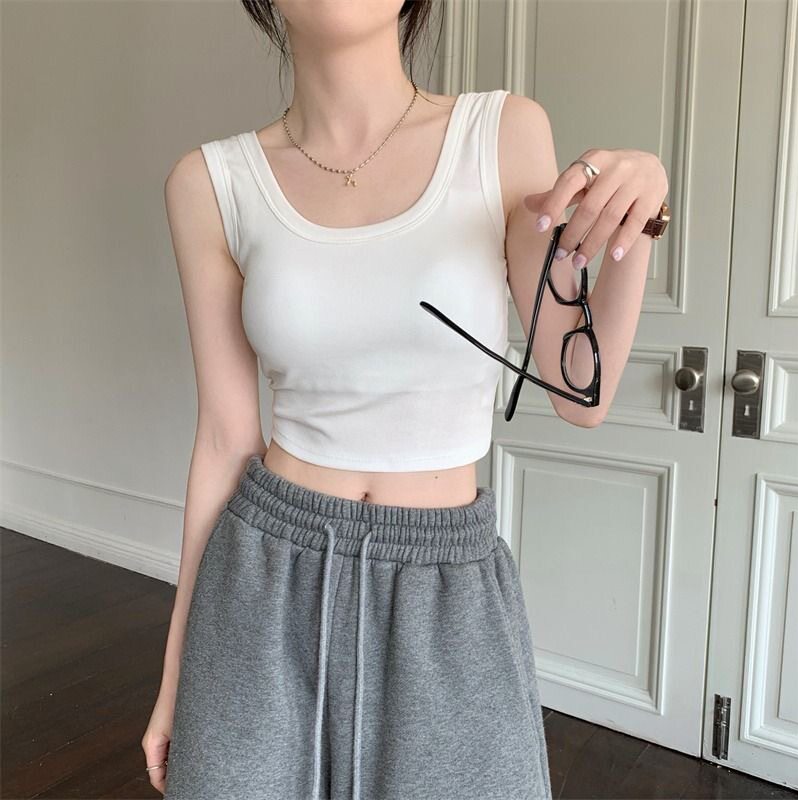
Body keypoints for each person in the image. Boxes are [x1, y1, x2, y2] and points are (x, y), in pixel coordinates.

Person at [142, 1, 669, 798]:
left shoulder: (502, 134)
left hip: (446, 592)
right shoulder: (210, 184)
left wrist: (636, 216)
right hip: (261, 584)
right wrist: (175, 674)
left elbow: (580, 396)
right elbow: (223, 437)